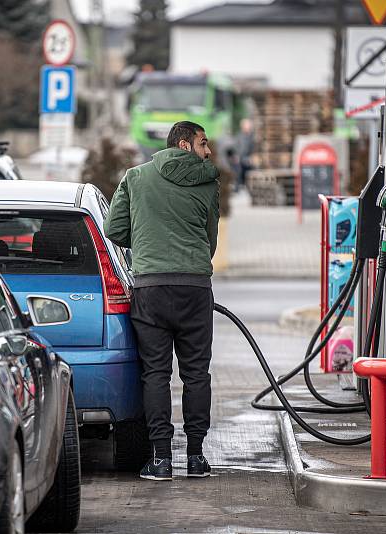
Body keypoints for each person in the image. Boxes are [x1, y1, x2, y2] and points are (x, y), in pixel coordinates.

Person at [104, 121, 220, 481]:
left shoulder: (136, 177)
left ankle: (161, 459)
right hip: (195, 288)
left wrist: (145, 241)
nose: (209, 151)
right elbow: (209, 237)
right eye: (203, 143)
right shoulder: (208, 182)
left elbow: (113, 230)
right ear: (184, 145)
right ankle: (197, 457)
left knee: (155, 373)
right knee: (196, 373)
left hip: (151, 288)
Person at [235, 118, 255, 192]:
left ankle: (250, 187)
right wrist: (236, 156)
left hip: (248, 158)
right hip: (240, 158)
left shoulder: (252, 137)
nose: (247, 128)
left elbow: (254, 148)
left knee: (250, 169)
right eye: (246, 127)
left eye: (248, 127)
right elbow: (236, 147)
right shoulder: (239, 136)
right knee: (238, 170)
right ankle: (237, 187)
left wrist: (252, 157)